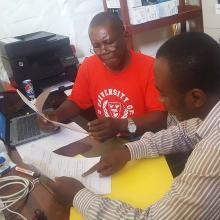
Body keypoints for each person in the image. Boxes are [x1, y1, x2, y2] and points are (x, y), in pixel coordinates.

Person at [48, 32, 220, 219]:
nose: (160, 100)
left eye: (163, 94)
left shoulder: (211, 157)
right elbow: (184, 132)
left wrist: (78, 196)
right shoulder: (208, 112)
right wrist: (128, 151)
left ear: (196, 98)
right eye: (96, 45)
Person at [38, 12, 166, 141]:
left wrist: (121, 126)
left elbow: (160, 119)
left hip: (143, 140)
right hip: (110, 140)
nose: (104, 50)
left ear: (125, 36)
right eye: (96, 46)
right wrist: (56, 116)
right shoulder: (89, 66)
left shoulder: (150, 67)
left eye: (109, 42)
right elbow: (76, 102)